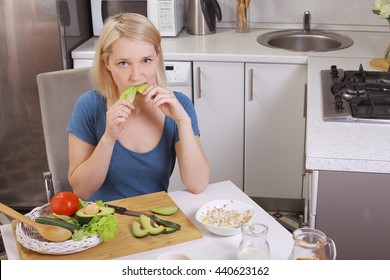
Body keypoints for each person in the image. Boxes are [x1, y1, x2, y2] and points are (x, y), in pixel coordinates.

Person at [67, 13, 210, 201]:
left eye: (146, 61)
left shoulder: (179, 105)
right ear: (107, 64)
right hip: (101, 220)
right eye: (124, 63)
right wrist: (108, 138)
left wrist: (183, 122)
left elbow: (197, 184)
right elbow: (81, 191)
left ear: (158, 57)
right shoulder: (89, 106)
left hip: (154, 219)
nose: (136, 76)